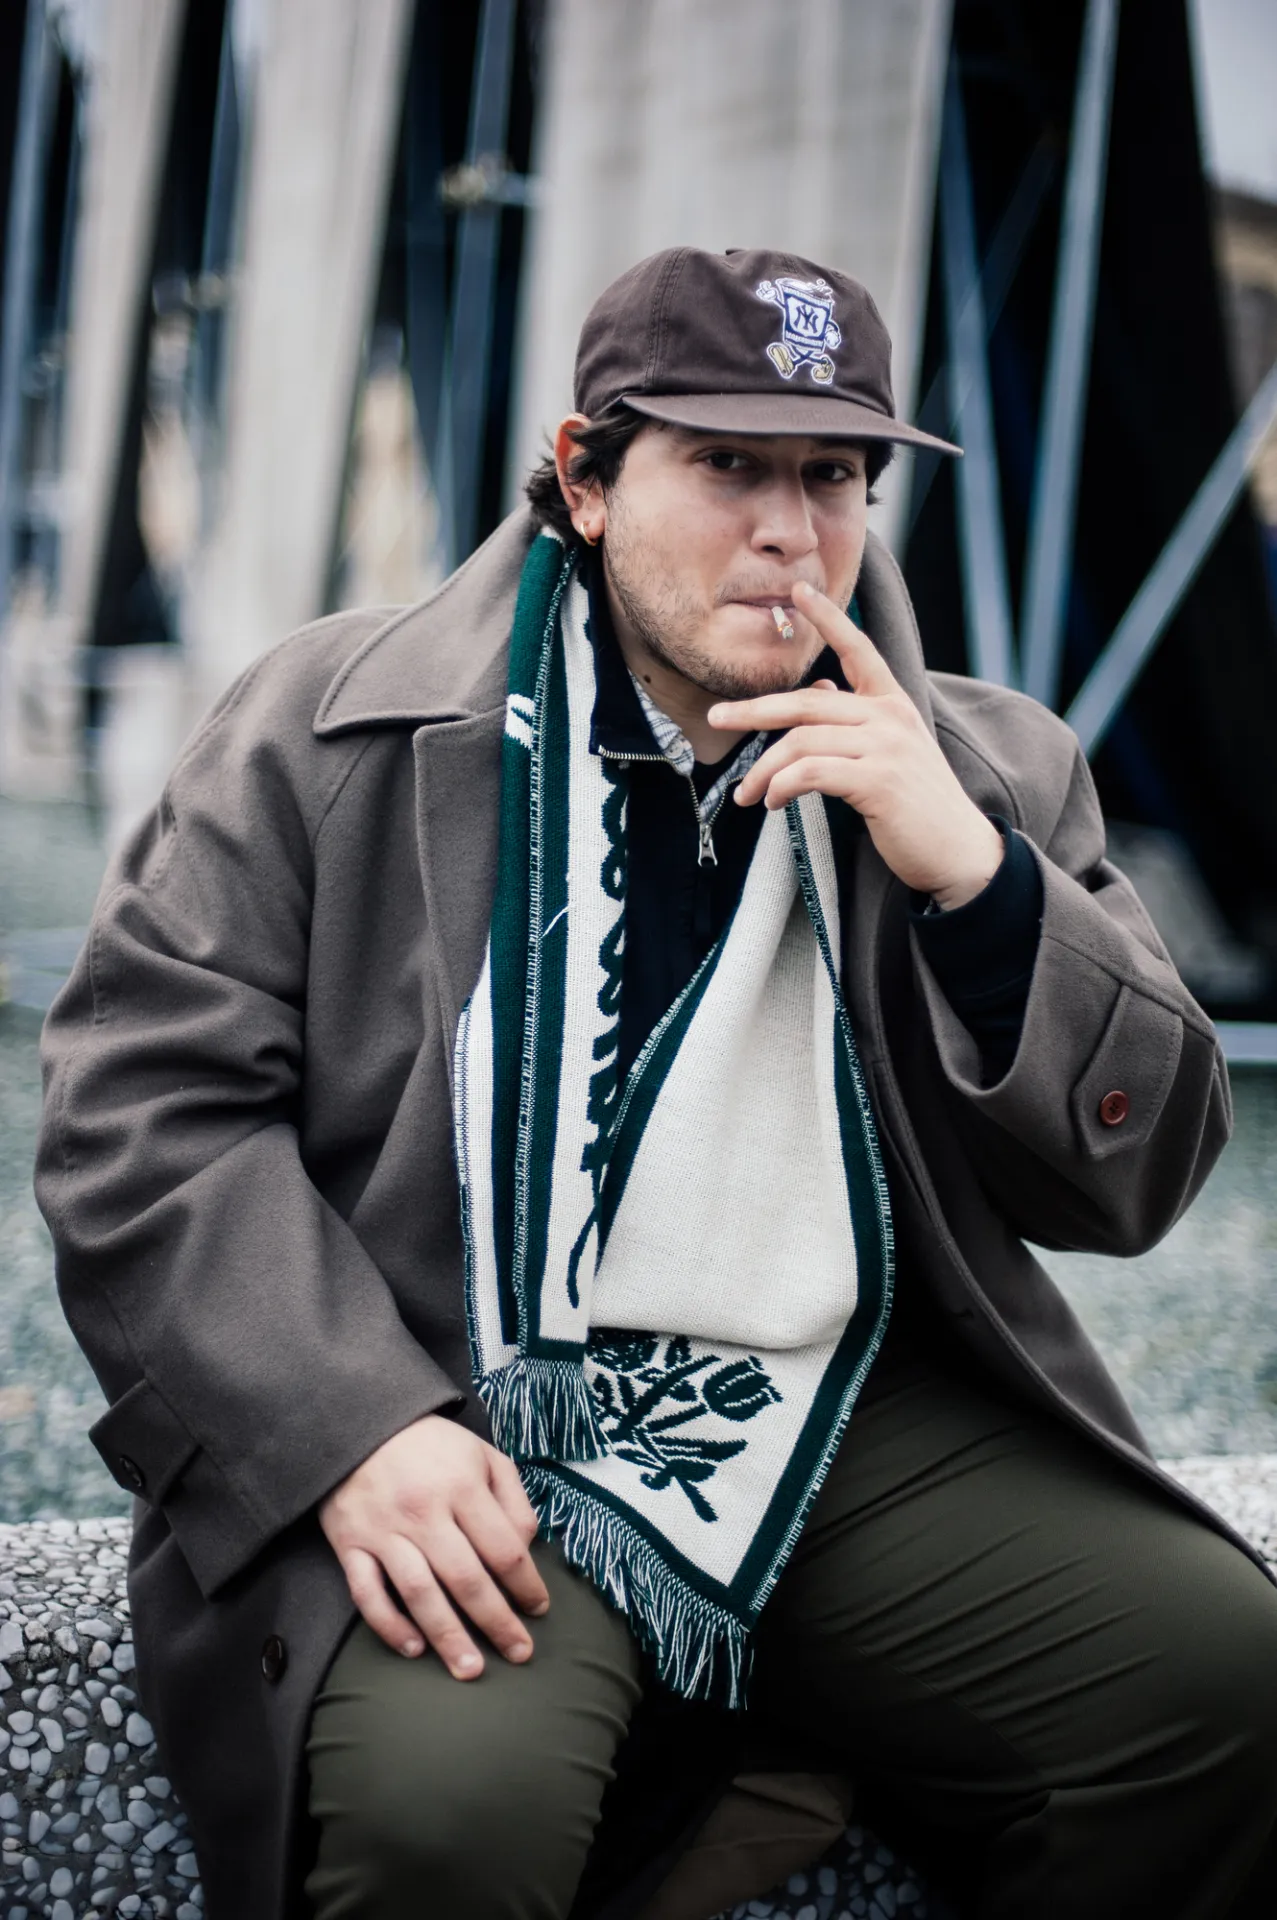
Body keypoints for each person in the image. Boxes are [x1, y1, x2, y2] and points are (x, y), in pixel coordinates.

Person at [36, 247, 1277, 1920]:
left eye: (831, 476)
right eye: (727, 465)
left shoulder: (987, 769)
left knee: (1222, 1689)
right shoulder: (327, 724)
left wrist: (980, 888)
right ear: (586, 479)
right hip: (456, 1393)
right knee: (450, 1820)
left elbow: (1138, 1176)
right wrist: (342, 1431)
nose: (789, 531)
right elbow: (143, 1115)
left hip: (836, 1407)